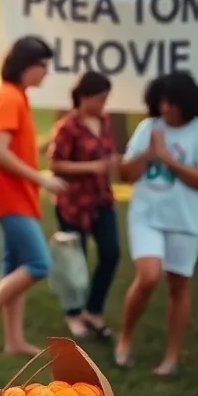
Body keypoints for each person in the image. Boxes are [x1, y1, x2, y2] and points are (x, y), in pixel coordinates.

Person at [0, 36, 65, 357]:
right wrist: (42, 179)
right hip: (11, 198)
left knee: (14, 268)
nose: (46, 74)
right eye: (42, 66)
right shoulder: (9, 97)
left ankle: (14, 340)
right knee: (38, 263)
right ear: (26, 66)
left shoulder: (15, 96)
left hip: (18, 197)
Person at [114, 72, 198, 375]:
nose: (166, 108)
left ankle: (171, 355)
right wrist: (149, 153)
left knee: (178, 286)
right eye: (162, 103)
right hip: (147, 216)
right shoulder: (149, 127)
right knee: (148, 276)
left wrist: (167, 158)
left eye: (172, 103)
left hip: (185, 220)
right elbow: (126, 174)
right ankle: (125, 339)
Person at [47, 71, 120, 341]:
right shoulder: (68, 126)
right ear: (85, 97)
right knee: (74, 262)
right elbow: (55, 164)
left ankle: (94, 308)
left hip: (102, 199)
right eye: (100, 98)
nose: (103, 103)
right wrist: (91, 166)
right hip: (74, 202)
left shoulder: (104, 121)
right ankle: (74, 313)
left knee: (111, 253)